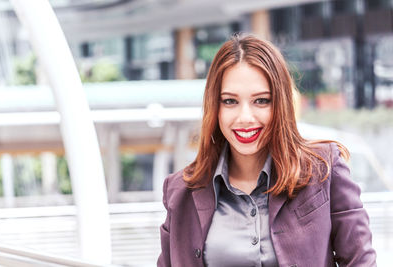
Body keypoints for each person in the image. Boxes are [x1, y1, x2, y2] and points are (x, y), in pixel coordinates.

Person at [157, 34, 376, 267]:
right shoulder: (181, 191)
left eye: (261, 101)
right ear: (215, 107)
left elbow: (360, 261)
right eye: (230, 101)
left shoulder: (324, 169)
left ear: (280, 104)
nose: (245, 118)